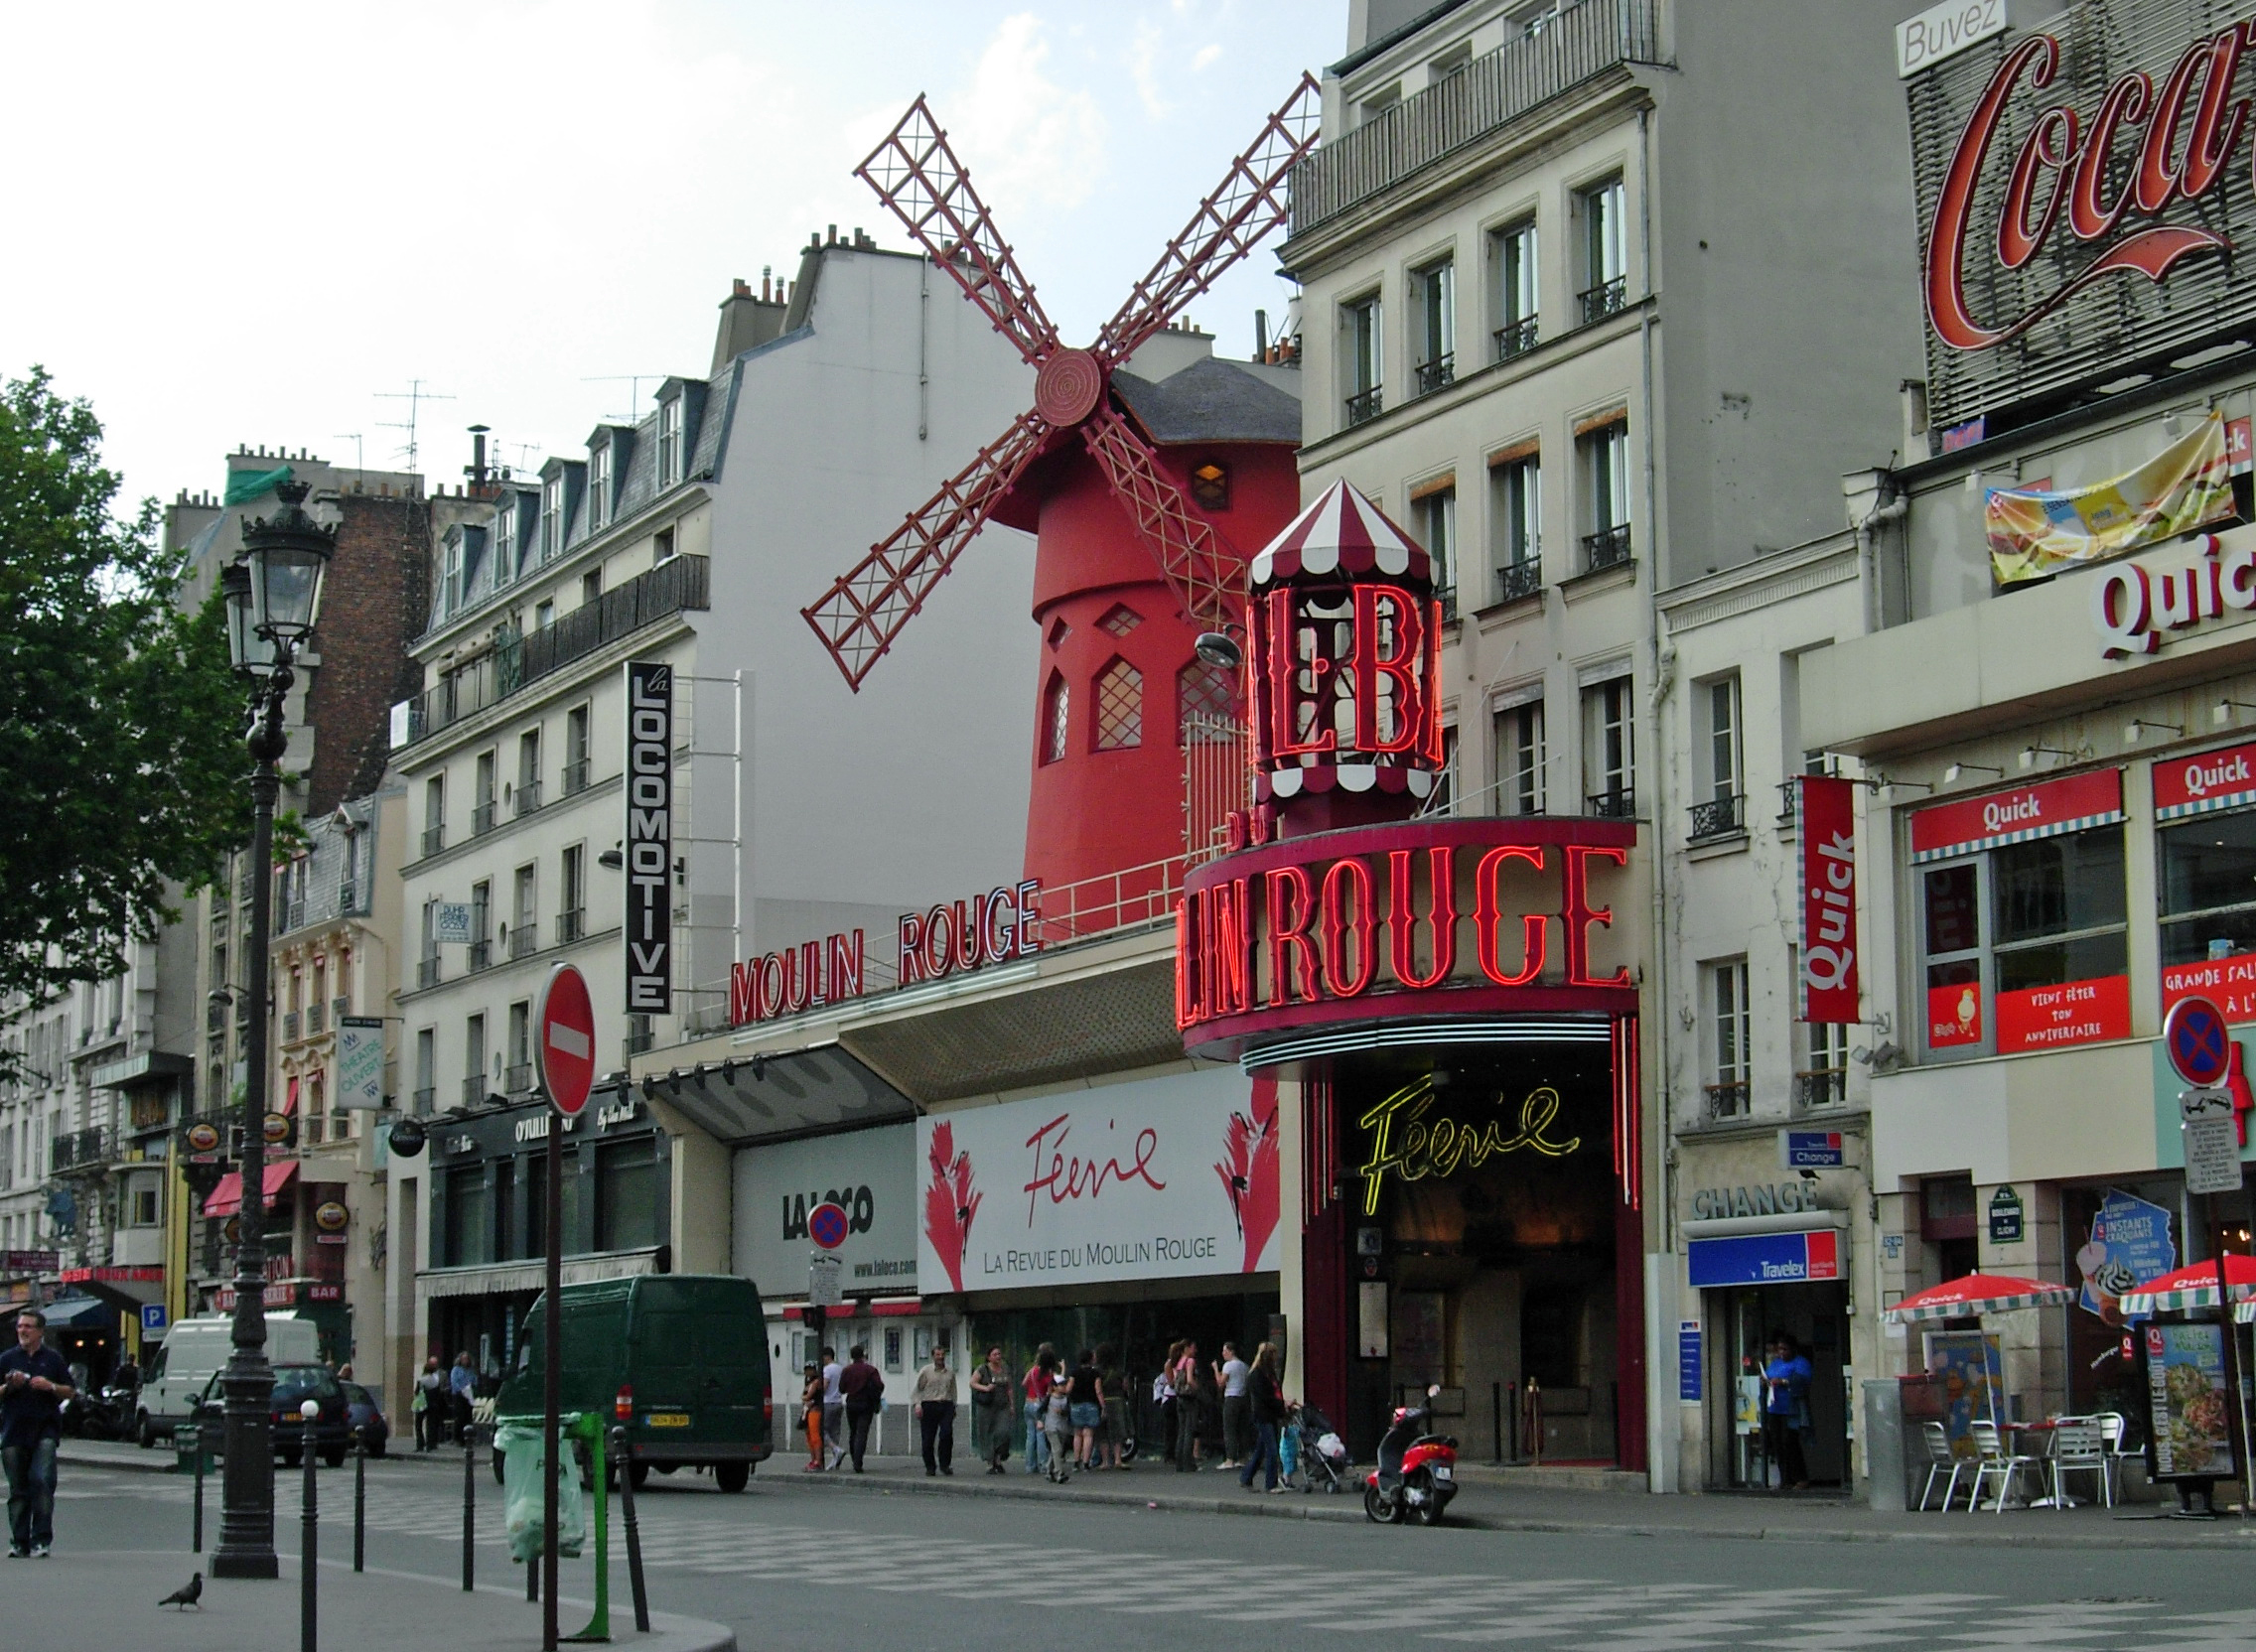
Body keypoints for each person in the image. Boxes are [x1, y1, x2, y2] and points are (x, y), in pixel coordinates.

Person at [1, 1308, 73, 1558]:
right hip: (13, 1431)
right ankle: (18, 1542)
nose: (23, 1331)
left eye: (28, 1327)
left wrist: (50, 1386)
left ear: (40, 1331)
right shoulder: (8, 1358)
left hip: (45, 1429)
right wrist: (9, 1385)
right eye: (20, 1326)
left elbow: (70, 1391)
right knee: (18, 1489)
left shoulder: (53, 1359)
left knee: (42, 1482)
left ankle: (41, 1539)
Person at [1761, 1335, 1812, 1492]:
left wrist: (1783, 1381)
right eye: (1779, 1349)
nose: (1781, 1353)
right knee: (1777, 1444)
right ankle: (1785, 1479)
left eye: (1784, 1349)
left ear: (1792, 1349)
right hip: (1774, 1407)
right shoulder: (1776, 1363)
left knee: (1790, 1443)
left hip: (1791, 1408)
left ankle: (1801, 1478)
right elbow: (1768, 1376)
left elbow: (1804, 1381)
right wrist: (1765, 1381)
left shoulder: (1800, 1363)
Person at [1238, 1342, 1287, 1494]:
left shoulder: (1269, 1373)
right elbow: (1264, 1397)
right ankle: (1270, 1484)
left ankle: (1246, 1477)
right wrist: (1281, 1403)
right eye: (1273, 1355)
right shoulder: (1256, 1375)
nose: (1276, 1358)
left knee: (1261, 1449)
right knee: (1272, 1449)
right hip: (1263, 1416)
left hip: (1270, 1415)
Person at [913, 1345, 957, 1476]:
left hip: (946, 1404)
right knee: (928, 1438)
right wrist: (917, 1404)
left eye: (942, 1354)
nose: (941, 1357)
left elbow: (953, 1390)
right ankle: (930, 1466)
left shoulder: (950, 1372)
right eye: (938, 1355)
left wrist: (954, 1406)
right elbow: (918, 1389)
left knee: (946, 1434)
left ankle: (945, 1465)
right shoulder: (926, 1371)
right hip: (929, 1404)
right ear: (933, 1356)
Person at [838, 1344, 884, 1472]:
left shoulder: (847, 1370)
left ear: (851, 1356)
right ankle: (858, 1462)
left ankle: (854, 1458)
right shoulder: (870, 1370)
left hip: (851, 1403)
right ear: (863, 1355)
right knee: (862, 1433)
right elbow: (879, 1385)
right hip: (866, 1404)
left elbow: (841, 1389)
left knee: (853, 1432)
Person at [969, 1346, 1013, 1473]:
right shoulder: (983, 1369)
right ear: (989, 1357)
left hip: (1002, 1406)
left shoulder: (1005, 1369)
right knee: (987, 1433)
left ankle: (998, 1458)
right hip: (986, 1407)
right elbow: (972, 1383)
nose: (998, 1356)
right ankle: (990, 1462)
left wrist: (1011, 1405)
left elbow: (1009, 1387)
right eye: (995, 1354)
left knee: (1003, 1432)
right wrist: (986, 1388)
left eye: (999, 1354)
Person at [1022, 1342, 1057, 1476]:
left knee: (1030, 1435)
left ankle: (1030, 1466)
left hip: (1028, 1403)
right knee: (1041, 1434)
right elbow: (1049, 1392)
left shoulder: (1032, 1370)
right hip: (1039, 1404)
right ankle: (1043, 1464)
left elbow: (1024, 1383)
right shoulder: (1048, 1374)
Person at [1066, 1348, 1102, 1471]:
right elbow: (1098, 1390)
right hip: (1091, 1404)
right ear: (1091, 1359)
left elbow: (1069, 1389)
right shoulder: (1095, 1373)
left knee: (1077, 1434)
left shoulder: (1074, 1372)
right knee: (1088, 1434)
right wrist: (1102, 1405)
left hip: (1076, 1404)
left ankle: (1076, 1462)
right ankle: (1086, 1462)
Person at [1215, 1341, 1249, 1469]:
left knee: (1229, 1428)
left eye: (1225, 1351)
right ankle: (1242, 1457)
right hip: (1242, 1398)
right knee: (1242, 1429)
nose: (1223, 1354)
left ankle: (1230, 1458)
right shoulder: (1244, 1366)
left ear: (1231, 1352)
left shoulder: (1228, 1366)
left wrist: (1215, 1369)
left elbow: (1221, 1383)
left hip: (1231, 1397)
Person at [1172, 1340, 1203, 1471]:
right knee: (1189, 1430)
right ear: (1187, 1348)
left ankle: (1179, 1462)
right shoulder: (1190, 1361)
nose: (1195, 1350)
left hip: (1179, 1398)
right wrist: (1198, 1389)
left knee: (1181, 1430)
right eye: (1193, 1347)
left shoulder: (1178, 1362)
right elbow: (1190, 1379)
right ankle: (1188, 1463)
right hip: (1189, 1399)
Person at [1043, 1352, 1074, 1482]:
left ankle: (1048, 1469)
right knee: (1057, 1449)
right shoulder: (1049, 1399)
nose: (1063, 1387)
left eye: (1064, 1385)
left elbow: (1068, 1413)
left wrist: (1062, 1412)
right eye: (1061, 1385)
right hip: (1051, 1427)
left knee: (1057, 1450)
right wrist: (1039, 1421)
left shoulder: (1066, 1400)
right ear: (1054, 1387)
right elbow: (1040, 1410)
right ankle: (1059, 1472)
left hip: (1062, 1427)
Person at [1095, 1342, 1127, 1470]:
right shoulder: (1119, 1370)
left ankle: (1105, 1461)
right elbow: (1125, 1386)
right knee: (1117, 1432)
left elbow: (1098, 1389)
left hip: (1103, 1401)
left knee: (1103, 1432)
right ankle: (1118, 1459)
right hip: (1118, 1401)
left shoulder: (1097, 1372)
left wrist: (1102, 1404)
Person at [1155, 1340, 1184, 1473]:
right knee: (1171, 1427)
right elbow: (1171, 1383)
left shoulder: (1183, 1363)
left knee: (1176, 1427)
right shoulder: (1170, 1364)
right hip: (1171, 1397)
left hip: (1175, 1396)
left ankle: (1175, 1453)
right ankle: (1169, 1454)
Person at [414, 1356, 448, 1451]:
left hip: (421, 1404)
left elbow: (417, 1392)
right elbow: (438, 1393)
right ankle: (431, 1444)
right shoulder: (435, 1381)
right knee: (432, 1425)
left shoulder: (421, 1380)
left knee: (418, 1424)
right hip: (433, 1405)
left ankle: (420, 1444)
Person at [820, 1346, 845, 1470]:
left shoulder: (827, 1370)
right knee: (835, 1431)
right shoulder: (840, 1368)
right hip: (838, 1402)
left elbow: (825, 1385)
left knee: (822, 1430)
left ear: (827, 1356)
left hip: (827, 1402)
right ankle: (835, 1459)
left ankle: (836, 1449)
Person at [798, 1362, 825, 1470]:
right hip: (807, 1410)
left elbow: (807, 1396)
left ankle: (818, 1460)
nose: (808, 1372)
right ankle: (813, 1459)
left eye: (811, 1369)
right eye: (807, 1369)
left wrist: (804, 1397)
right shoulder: (808, 1381)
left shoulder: (816, 1381)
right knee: (808, 1435)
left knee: (815, 1435)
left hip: (815, 1410)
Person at [449, 1351, 476, 1444]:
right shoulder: (456, 1369)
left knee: (468, 1416)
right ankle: (458, 1438)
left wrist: (472, 1386)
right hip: (459, 1395)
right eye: (463, 1359)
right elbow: (454, 1382)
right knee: (460, 1416)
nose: (465, 1361)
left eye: (467, 1359)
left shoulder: (470, 1370)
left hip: (468, 1395)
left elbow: (474, 1380)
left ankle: (468, 1437)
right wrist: (461, 1390)